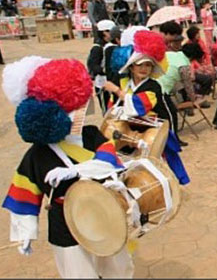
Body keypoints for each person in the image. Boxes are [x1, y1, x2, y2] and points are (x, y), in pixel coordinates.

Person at [2, 57, 133, 278]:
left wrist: (79, 171)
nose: (78, 113)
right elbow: (24, 195)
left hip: (103, 210)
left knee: (117, 266)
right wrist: (25, 233)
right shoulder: (37, 155)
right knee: (78, 271)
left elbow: (111, 163)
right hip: (64, 221)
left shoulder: (91, 135)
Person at [103, 28, 190, 184]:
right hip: (131, 129)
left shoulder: (153, 86)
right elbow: (113, 108)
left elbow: (139, 106)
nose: (144, 69)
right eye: (139, 65)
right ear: (131, 67)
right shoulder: (124, 83)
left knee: (162, 163)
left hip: (155, 129)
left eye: (148, 65)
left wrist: (116, 91)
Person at [86, 19, 117, 113]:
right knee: (107, 111)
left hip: (113, 83)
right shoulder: (97, 48)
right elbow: (93, 65)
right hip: (102, 84)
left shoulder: (111, 45)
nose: (111, 34)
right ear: (103, 32)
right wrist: (105, 71)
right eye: (108, 31)